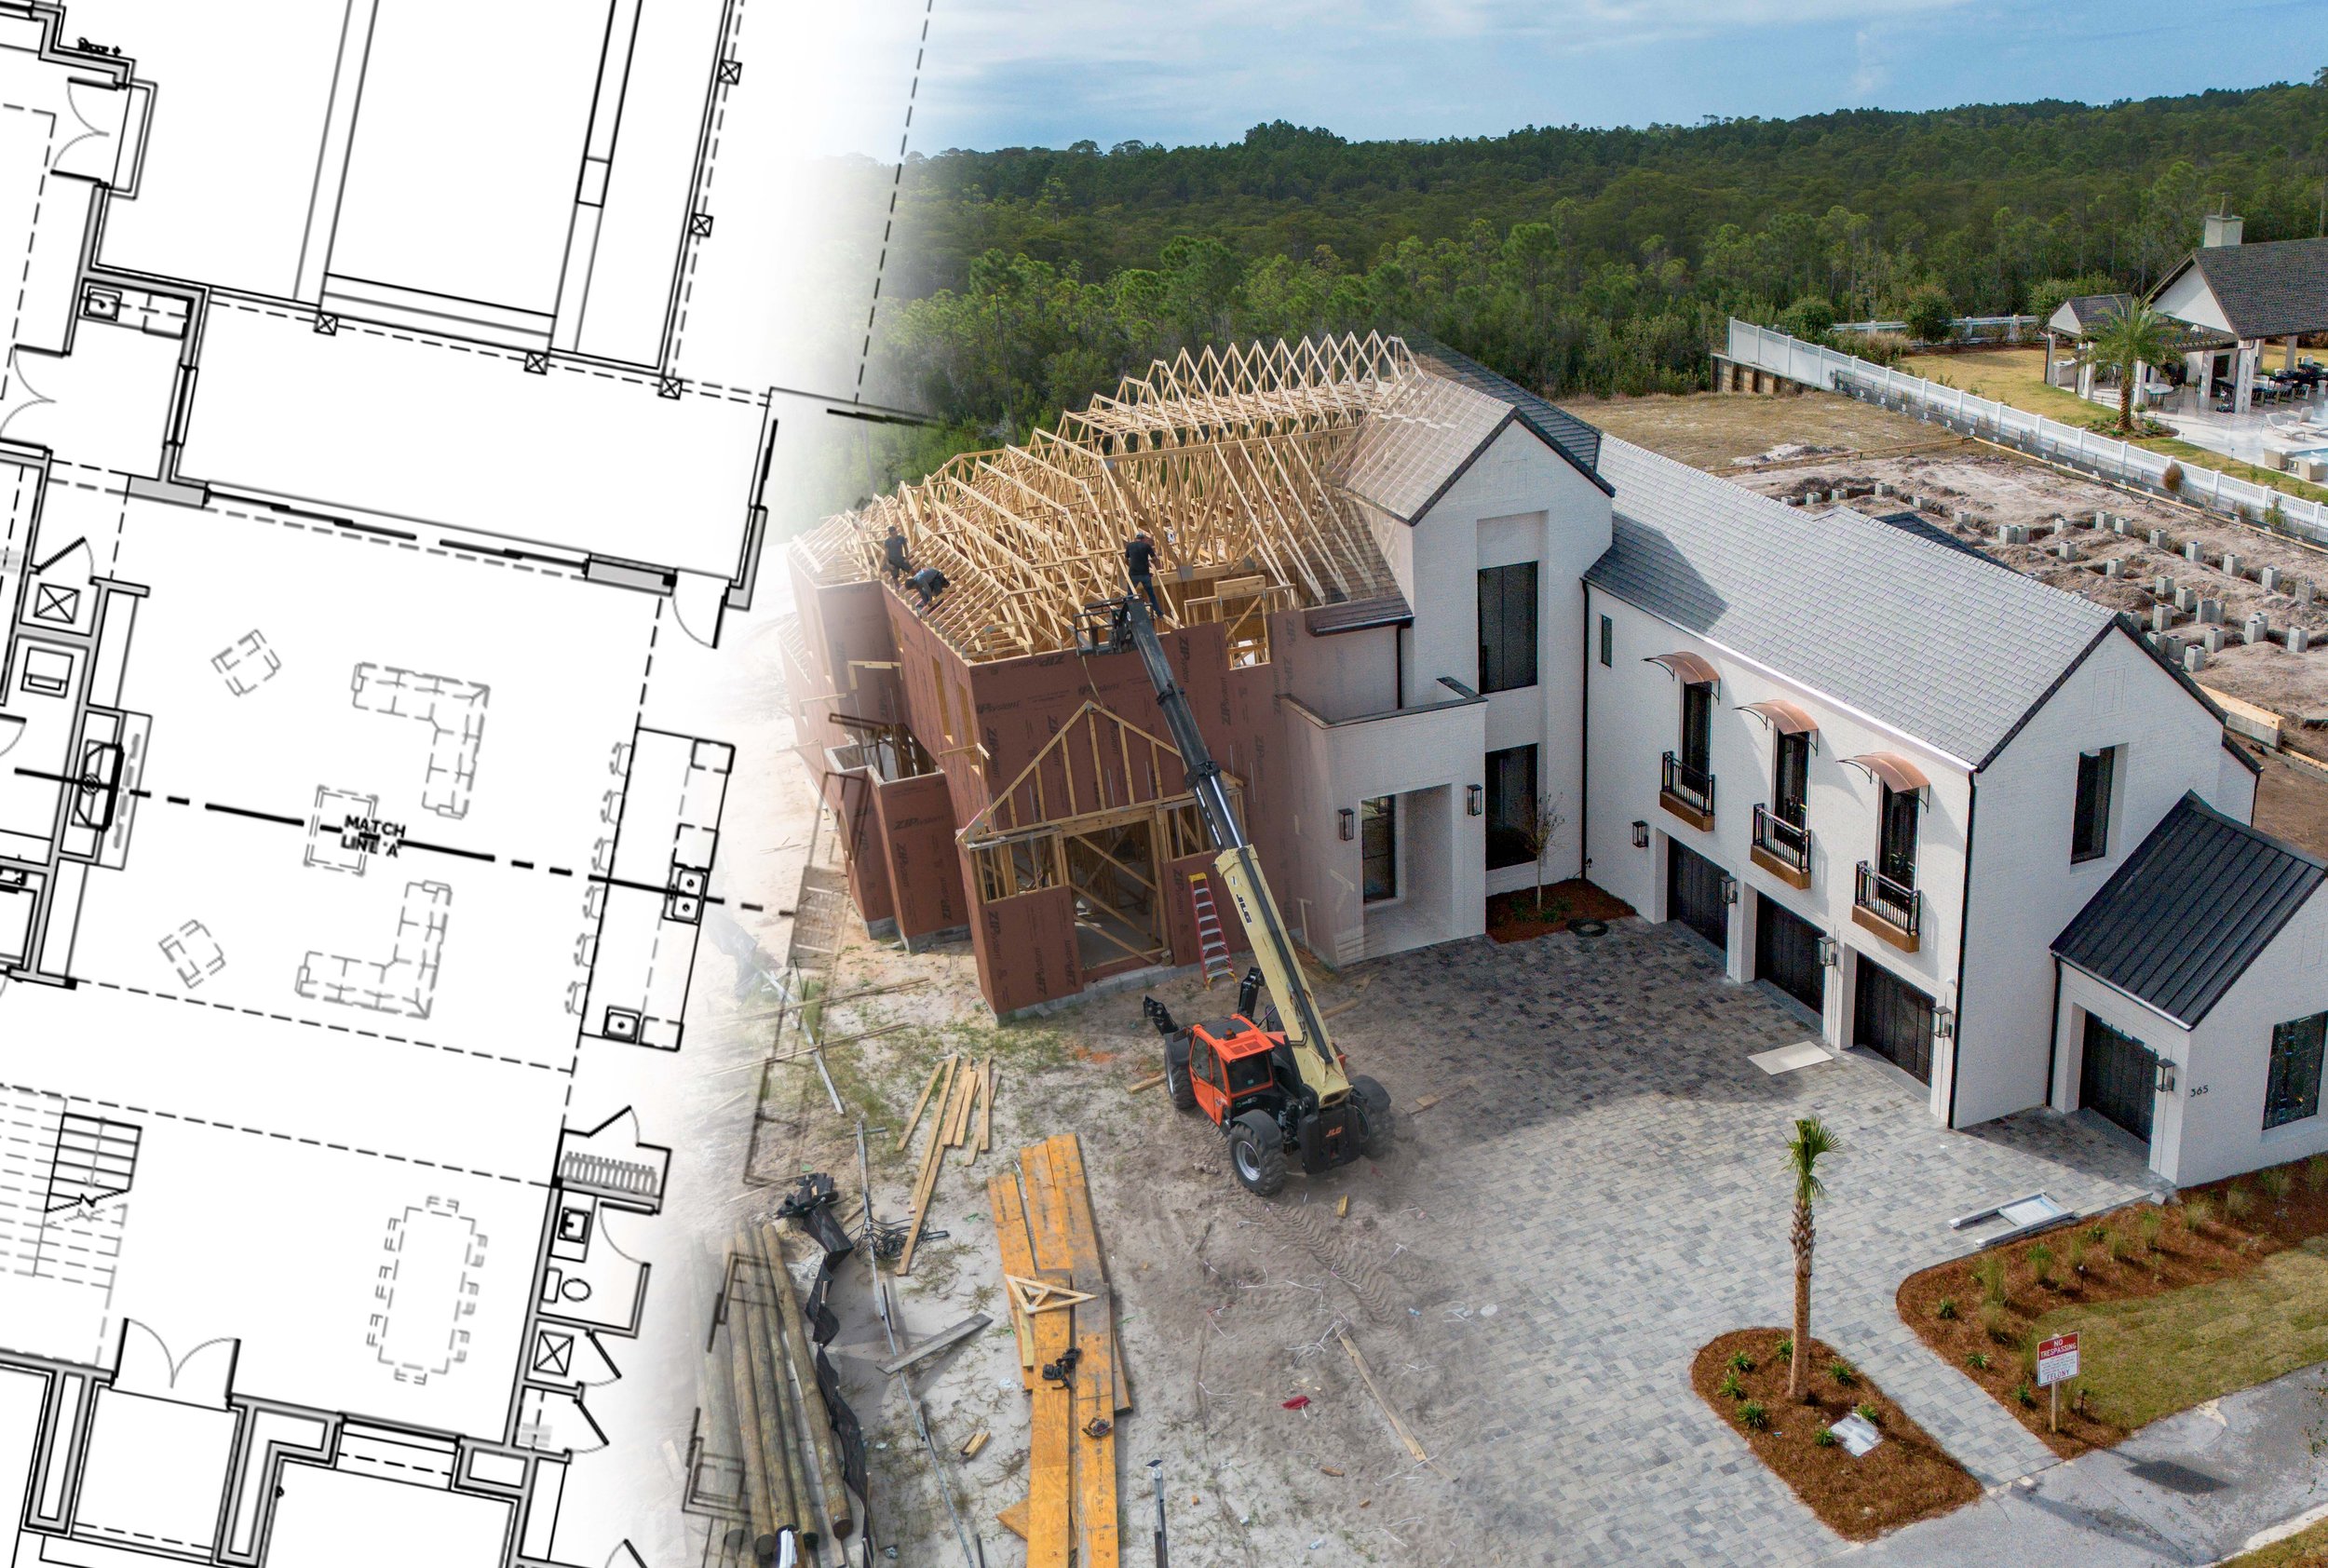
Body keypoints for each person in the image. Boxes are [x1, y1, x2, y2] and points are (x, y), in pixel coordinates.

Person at [1124, 529, 1160, 615]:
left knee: (1130, 595)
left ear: (1136, 538)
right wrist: (1151, 562)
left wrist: (1131, 566)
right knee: (1151, 594)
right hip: (1145, 574)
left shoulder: (1129, 546)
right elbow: (1154, 558)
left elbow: (1125, 560)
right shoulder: (1146, 546)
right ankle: (1158, 612)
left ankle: (1128, 613)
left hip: (1133, 574)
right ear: (1143, 539)